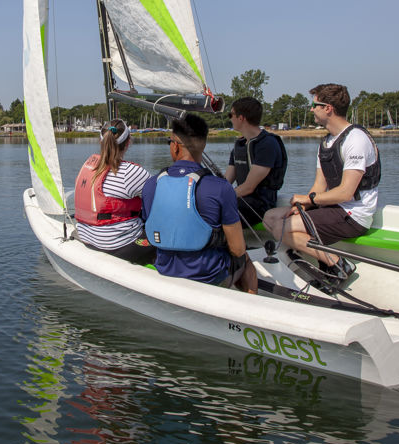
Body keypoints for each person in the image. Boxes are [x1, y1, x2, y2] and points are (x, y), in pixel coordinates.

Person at [263, 83, 380, 285]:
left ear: (328, 108)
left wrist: (310, 199)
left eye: (314, 105)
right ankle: (316, 257)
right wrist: (303, 206)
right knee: (269, 217)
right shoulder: (327, 142)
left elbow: (345, 192)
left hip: (353, 214)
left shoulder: (356, 140)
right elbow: (319, 186)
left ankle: (337, 264)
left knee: (282, 227)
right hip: (334, 209)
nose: (311, 109)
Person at [141, 113, 257, 292]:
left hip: (166, 270)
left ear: (175, 147)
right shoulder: (221, 188)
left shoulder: (151, 185)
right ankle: (249, 310)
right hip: (209, 275)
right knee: (246, 260)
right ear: (203, 146)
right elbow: (237, 249)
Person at [74, 119, 155, 264]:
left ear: (101, 141)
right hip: (116, 244)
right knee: (162, 236)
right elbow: (162, 198)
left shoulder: (89, 166)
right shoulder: (131, 172)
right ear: (128, 142)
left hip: (86, 236)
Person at [224, 97, 287, 228]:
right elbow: (226, 181)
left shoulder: (267, 144)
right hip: (242, 200)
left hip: (259, 205)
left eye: (231, 115)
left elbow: (249, 187)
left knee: (216, 211)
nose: (230, 118)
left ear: (241, 118)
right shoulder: (240, 145)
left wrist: (220, 197)